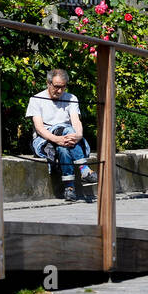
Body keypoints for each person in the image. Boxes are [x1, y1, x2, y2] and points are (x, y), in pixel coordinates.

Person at [27, 68, 97, 202]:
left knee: (63, 148)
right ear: (48, 83)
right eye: (56, 87)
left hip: (67, 138)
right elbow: (40, 128)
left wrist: (78, 135)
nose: (59, 91)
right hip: (45, 139)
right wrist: (56, 139)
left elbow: (76, 121)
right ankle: (84, 168)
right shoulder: (36, 99)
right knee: (64, 129)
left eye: (63, 87)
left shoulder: (71, 98)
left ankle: (69, 189)